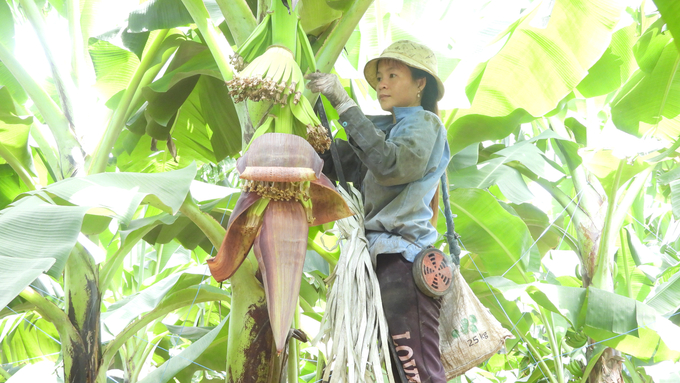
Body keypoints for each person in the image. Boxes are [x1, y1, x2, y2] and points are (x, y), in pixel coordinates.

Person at [305, 40, 450, 383]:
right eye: (380, 76)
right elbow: (348, 169)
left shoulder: (425, 125)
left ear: (420, 84)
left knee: (418, 374)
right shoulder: (386, 129)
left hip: (403, 260)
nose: (382, 83)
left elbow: (388, 164)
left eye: (393, 75)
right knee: (403, 373)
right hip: (380, 262)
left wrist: (342, 102)